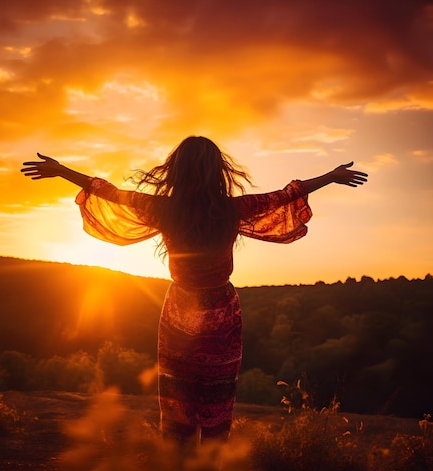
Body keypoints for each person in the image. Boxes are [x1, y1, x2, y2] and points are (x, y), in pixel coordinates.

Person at [21, 136, 367, 450]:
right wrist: (331, 176)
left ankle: (177, 459)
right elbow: (288, 193)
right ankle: (211, 459)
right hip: (222, 310)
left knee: (177, 394)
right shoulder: (232, 210)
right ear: (219, 171)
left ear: (176, 171)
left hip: (179, 308)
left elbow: (110, 192)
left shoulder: (165, 209)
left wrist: (61, 170)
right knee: (218, 394)